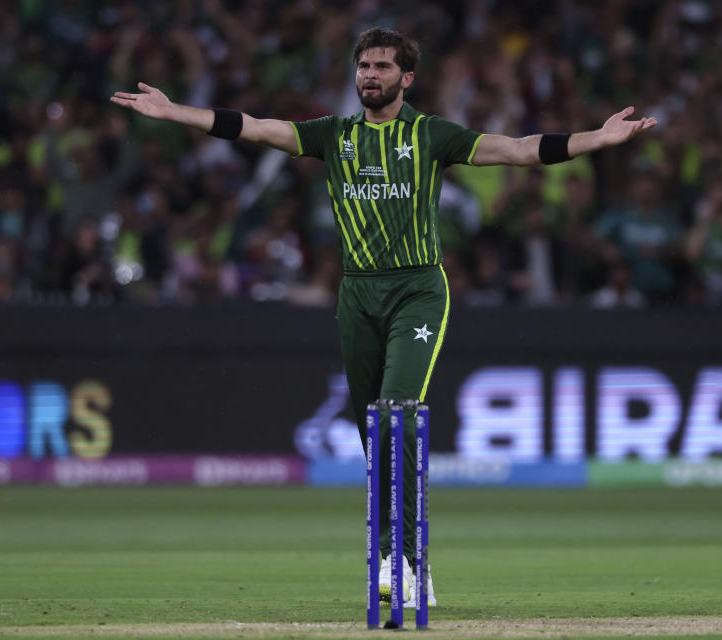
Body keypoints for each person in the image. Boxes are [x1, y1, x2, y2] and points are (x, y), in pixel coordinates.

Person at [111, 27, 656, 608]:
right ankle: (414, 557)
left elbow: (519, 149)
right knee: (376, 435)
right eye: (363, 66)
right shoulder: (334, 135)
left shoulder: (431, 134)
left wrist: (596, 139)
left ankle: (397, 557)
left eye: (381, 67)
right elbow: (254, 126)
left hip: (418, 291)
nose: (369, 75)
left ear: (407, 77)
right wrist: (176, 114)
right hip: (357, 295)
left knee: (398, 414)